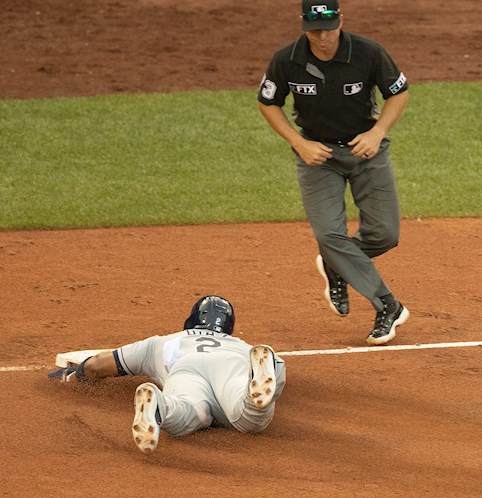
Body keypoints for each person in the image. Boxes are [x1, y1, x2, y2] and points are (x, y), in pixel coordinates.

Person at [257, 0, 410, 346]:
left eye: (327, 28)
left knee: (385, 234)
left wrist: (377, 132)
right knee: (330, 234)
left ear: (341, 20)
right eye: (314, 30)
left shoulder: (368, 53)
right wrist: (298, 143)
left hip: (365, 151)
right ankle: (388, 304)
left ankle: (335, 264)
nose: (322, 37)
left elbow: (398, 94)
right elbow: (268, 102)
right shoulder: (287, 59)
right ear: (303, 25)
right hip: (317, 155)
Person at [48, 296, 286, 454]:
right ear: (228, 327)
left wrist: (72, 375)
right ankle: (262, 377)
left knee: (189, 413)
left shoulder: (162, 343)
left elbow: (99, 365)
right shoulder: (241, 344)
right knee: (250, 417)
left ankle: (161, 405)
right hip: (229, 365)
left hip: (184, 370)